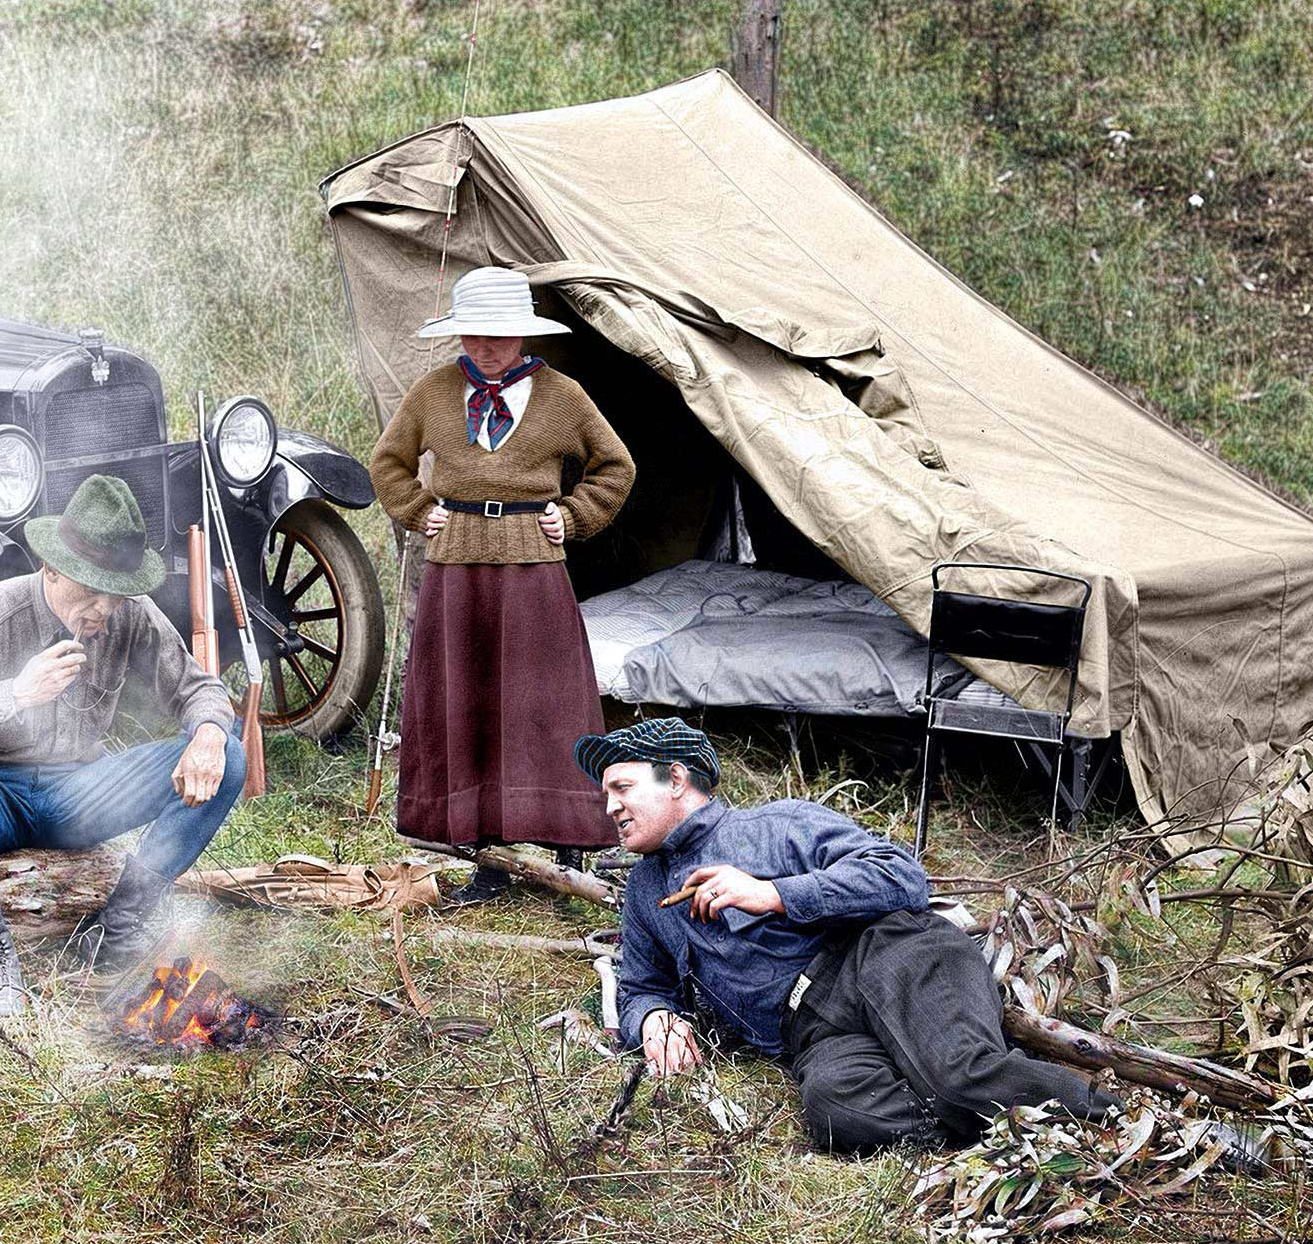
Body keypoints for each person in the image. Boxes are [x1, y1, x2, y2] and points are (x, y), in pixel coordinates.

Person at [576, 717, 1116, 1154]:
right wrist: (651, 1018)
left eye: (622, 787)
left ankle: (1119, 1115)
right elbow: (642, 984)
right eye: (605, 795)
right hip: (813, 1031)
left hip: (885, 957)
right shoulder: (645, 889)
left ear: (675, 779)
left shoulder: (778, 825)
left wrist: (775, 893)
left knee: (958, 1075)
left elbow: (903, 877)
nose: (610, 808)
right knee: (838, 1111)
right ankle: (991, 1123)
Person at [0, 474, 246, 1018]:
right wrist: (12, 695)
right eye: (90, 589)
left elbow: (198, 688)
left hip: (80, 796)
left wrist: (210, 733)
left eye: (114, 593)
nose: (104, 608)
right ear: (51, 568)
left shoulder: (128, 615)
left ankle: (116, 929)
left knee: (229, 754)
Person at [367, 266, 634, 898]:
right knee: (469, 697)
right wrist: (415, 507)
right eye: (474, 336)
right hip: (455, 567)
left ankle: (563, 837)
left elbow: (614, 465)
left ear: (524, 335)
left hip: (533, 567)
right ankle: (485, 848)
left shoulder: (563, 396)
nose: (487, 349)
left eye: (501, 336)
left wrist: (571, 515)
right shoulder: (433, 392)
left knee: (543, 700)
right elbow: (389, 461)